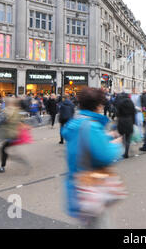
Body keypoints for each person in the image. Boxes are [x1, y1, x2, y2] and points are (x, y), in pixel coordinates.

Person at [61, 88, 123, 228]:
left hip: (77, 182)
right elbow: (105, 156)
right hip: (92, 185)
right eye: (101, 104)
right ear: (97, 106)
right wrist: (117, 145)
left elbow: (83, 143)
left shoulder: (76, 123)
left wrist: (105, 137)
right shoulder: (91, 126)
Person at [115, 93, 136, 159]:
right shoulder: (131, 103)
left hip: (121, 121)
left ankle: (121, 151)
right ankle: (126, 153)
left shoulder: (120, 103)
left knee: (121, 137)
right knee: (128, 138)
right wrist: (133, 122)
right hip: (129, 121)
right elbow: (133, 113)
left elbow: (117, 113)